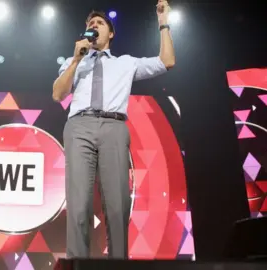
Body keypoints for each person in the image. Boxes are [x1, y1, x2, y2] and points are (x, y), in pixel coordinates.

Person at [52, 0, 175, 259]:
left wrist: (163, 23)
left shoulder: (125, 63)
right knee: (79, 204)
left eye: (99, 23)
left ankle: (119, 263)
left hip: (114, 126)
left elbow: (167, 61)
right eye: (89, 24)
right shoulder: (76, 62)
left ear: (111, 33)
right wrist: (75, 60)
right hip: (79, 127)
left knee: (118, 203)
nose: (93, 26)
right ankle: (77, 263)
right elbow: (57, 93)